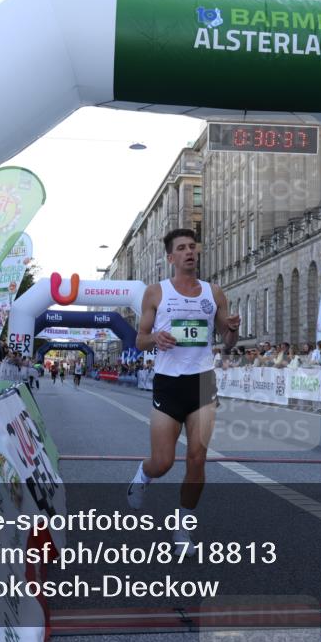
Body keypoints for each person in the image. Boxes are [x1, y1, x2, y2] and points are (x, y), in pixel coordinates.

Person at [126, 228, 239, 557]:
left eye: (193, 246)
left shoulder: (213, 292)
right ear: (171, 257)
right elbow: (140, 339)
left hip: (203, 381)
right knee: (163, 462)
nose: (189, 252)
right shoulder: (155, 293)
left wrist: (233, 330)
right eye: (182, 248)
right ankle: (143, 474)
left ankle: (182, 527)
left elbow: (226, 342)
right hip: (169, 382)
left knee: (197, 458)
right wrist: (156, 338)